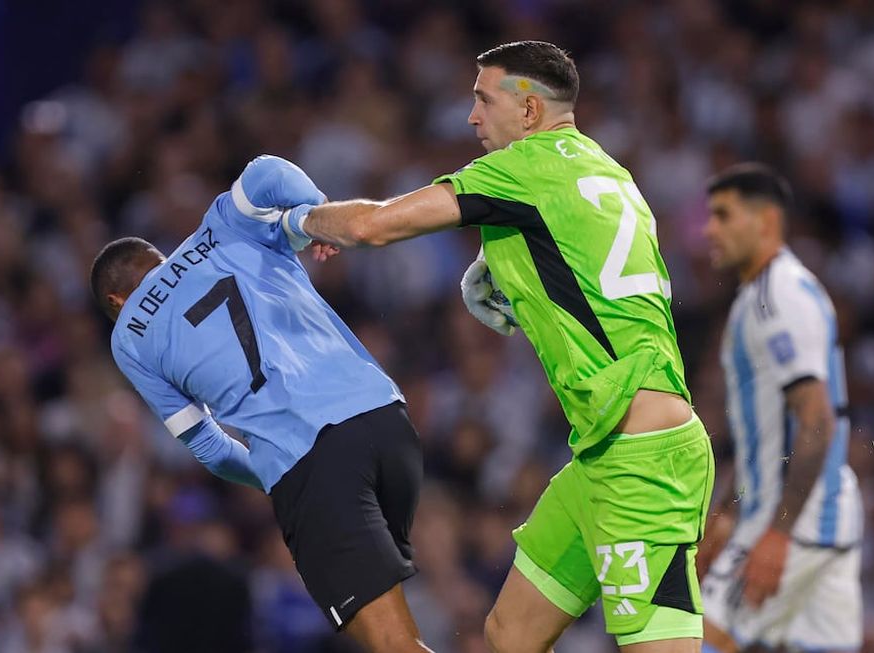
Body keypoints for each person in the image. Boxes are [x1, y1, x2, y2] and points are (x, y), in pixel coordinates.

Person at [290, 40, 715, 653]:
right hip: (603, 448)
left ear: (529, 110)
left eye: (483, 100)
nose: (472, 117)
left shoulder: (523, 167)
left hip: (642, 461)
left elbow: (370, 225)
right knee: (511, 633)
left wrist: (295, 220)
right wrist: (507, 268)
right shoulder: (607, 171)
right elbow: (590, 268)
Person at [89, 155, 433, 653]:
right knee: (381, 632)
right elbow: (268, 171)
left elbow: (209, 447)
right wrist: (318, 212)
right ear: (160, 259)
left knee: (391, 642)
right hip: (389, 424)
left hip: (311, 458)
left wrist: (271, 476)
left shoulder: (129, 336)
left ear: (116, 302)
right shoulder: (220, 228)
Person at [699, 163, 863, 653]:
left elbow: (817, 421)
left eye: (723, 216)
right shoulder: (768, 294)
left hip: (794, 522)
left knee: (683, 636)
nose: (709, 229)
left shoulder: (778, 298)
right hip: (824, 516)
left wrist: (778, 532)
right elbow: (768, 438)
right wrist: (727, 511)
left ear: (766, 221)